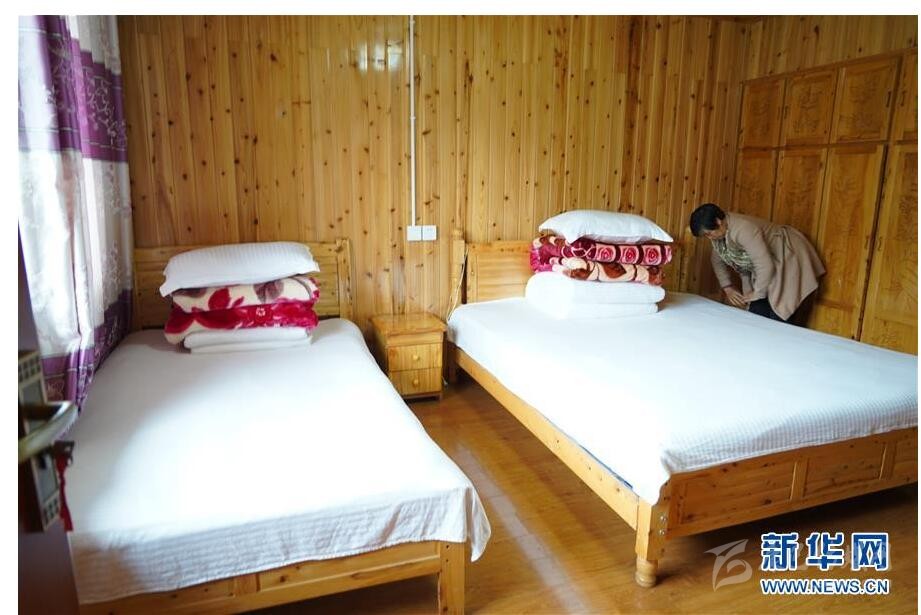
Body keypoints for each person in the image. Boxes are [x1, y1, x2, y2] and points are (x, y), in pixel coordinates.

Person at [689, 203, 825, 324]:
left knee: (778, 316)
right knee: (756, 315)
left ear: (718, 222)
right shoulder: (720, 236)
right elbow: (717, 260)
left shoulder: (743, 229)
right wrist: (728, 287)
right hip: (767, 263)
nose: (709, 238)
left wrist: (758, 293)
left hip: (788, 256)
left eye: (708, 233)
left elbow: (765, 265)